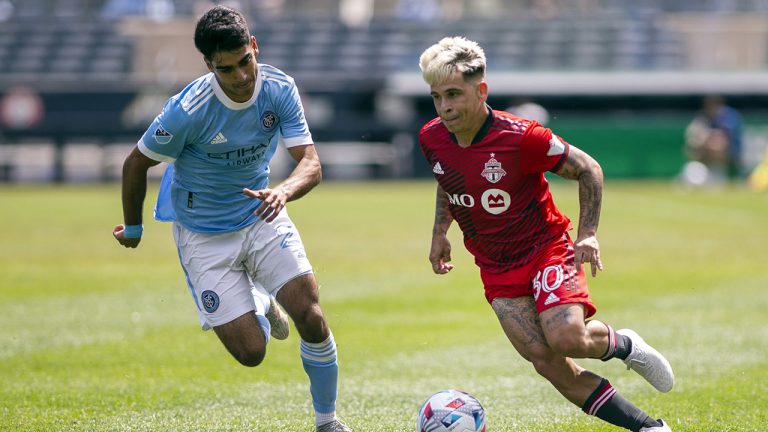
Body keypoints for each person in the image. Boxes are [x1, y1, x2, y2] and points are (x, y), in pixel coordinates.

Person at [112, 6, 351, 432]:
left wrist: (282, 191)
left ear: (254, 46)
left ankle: (327, 421)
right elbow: (135, 164)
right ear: (209, 65)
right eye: (227, 69)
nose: (241, 76)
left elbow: (311, 163)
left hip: (261, 214)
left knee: (311, 315)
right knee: (251, 352)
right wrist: (133, 228)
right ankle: (262, 304)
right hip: (203, 236)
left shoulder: (279, 89)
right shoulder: (188, 110)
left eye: (245, 61)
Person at [417, 36, 675, 432]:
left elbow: (588, 168)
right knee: (546, 360)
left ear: (481, 90)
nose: (445, 106)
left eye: (454, 94)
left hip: (545, 250)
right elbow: (447, 177)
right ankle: (648, 428)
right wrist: (440, 231)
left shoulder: (523, 137)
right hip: (496, 266)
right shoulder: (431, 137)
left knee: (567, 338)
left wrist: (588, 233)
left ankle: (624, 345)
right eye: (436, 97)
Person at [681, 95, 743, 186]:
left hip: (725, 162)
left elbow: (726, 143)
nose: (712, 108)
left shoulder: (729, 118)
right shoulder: (701, 119)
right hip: (702, 163)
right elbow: (691, 146)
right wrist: (704, 141)